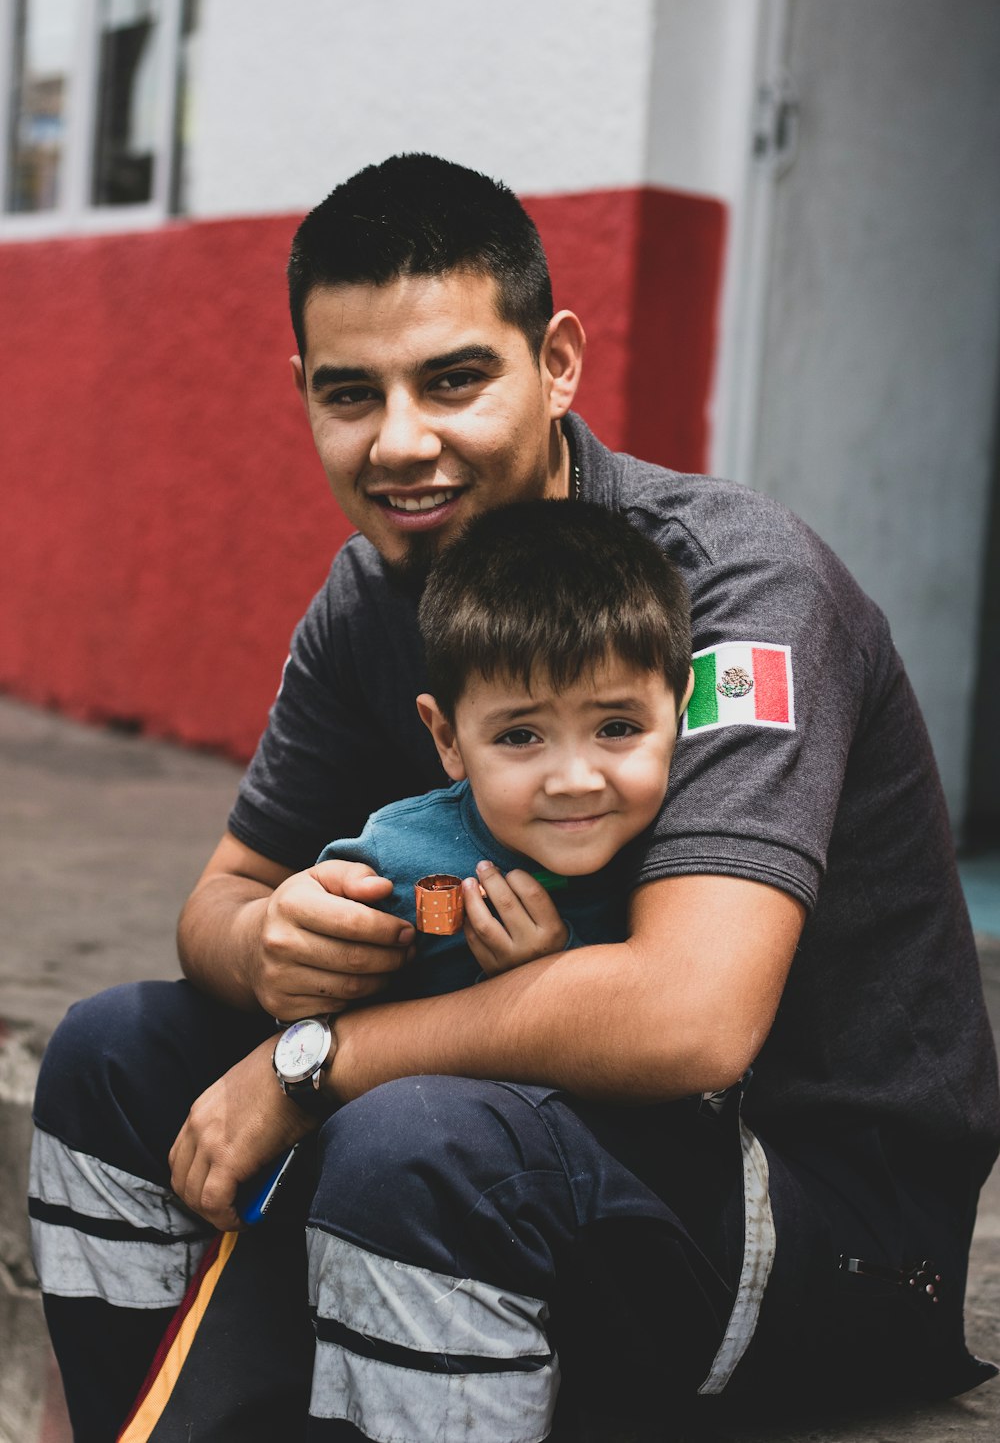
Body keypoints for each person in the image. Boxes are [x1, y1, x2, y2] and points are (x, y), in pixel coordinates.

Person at [30, 153, 999, 1443]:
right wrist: (274, 948)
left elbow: (691, 1020)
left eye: (453, 379)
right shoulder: (371, 598)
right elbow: (221, 901)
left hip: (824, 1210)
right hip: (534, 1138)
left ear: (557, 363)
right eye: (349, 394)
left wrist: (317, 1059)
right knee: (111, 1052)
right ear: (303, 396)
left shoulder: (730, 588)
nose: (401, 443)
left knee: (414, 1139)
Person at [316, 497, 693, 1003]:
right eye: (520, 736)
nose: (576, 780)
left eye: (617, 727)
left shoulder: (693, 860)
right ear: (448, 739)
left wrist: (556, 975)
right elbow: (311, 977)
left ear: (680, 709)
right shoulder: (389, 866)